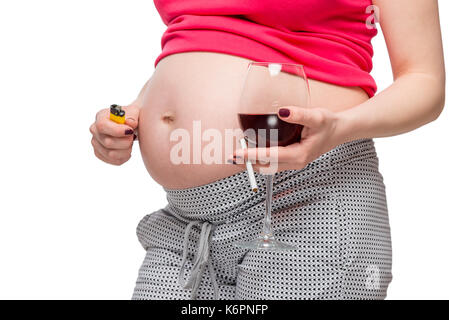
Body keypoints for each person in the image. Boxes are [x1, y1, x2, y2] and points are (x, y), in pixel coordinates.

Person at [89, 0, 445, 300]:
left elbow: (424, 81)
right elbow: (200, 37)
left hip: (308, 202)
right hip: (185, 226)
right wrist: (135, 115)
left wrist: (341, 127)